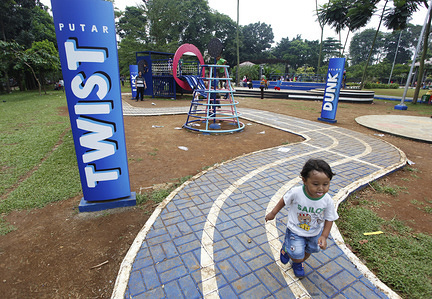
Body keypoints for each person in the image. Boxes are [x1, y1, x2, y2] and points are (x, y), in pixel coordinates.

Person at [265, 158, 339, 278]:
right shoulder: (296, 192)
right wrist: (273, 213)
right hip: (295, 230)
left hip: (314, 233)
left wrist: (324, 236)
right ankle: (294, 258)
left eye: (325, 184)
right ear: (304, 180)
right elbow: (284, 200)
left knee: (309, 250)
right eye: (316, 184)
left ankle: (297, 261)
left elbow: (329, 218)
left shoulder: (327, 200)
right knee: (296, 253)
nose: (321, 188)